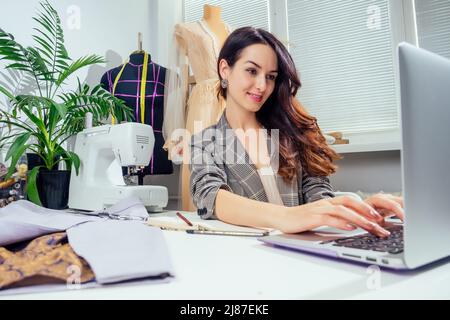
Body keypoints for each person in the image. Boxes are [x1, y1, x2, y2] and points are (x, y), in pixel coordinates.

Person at [189, 27, 404, 237]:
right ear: (225, 69)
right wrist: (287, 217)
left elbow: (319, 202)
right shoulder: (204, 142)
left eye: (271, 76)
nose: (262, 85)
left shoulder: (293, 133)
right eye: (252, 71)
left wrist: (361, 211)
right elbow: (211, 197)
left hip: (303, 254)